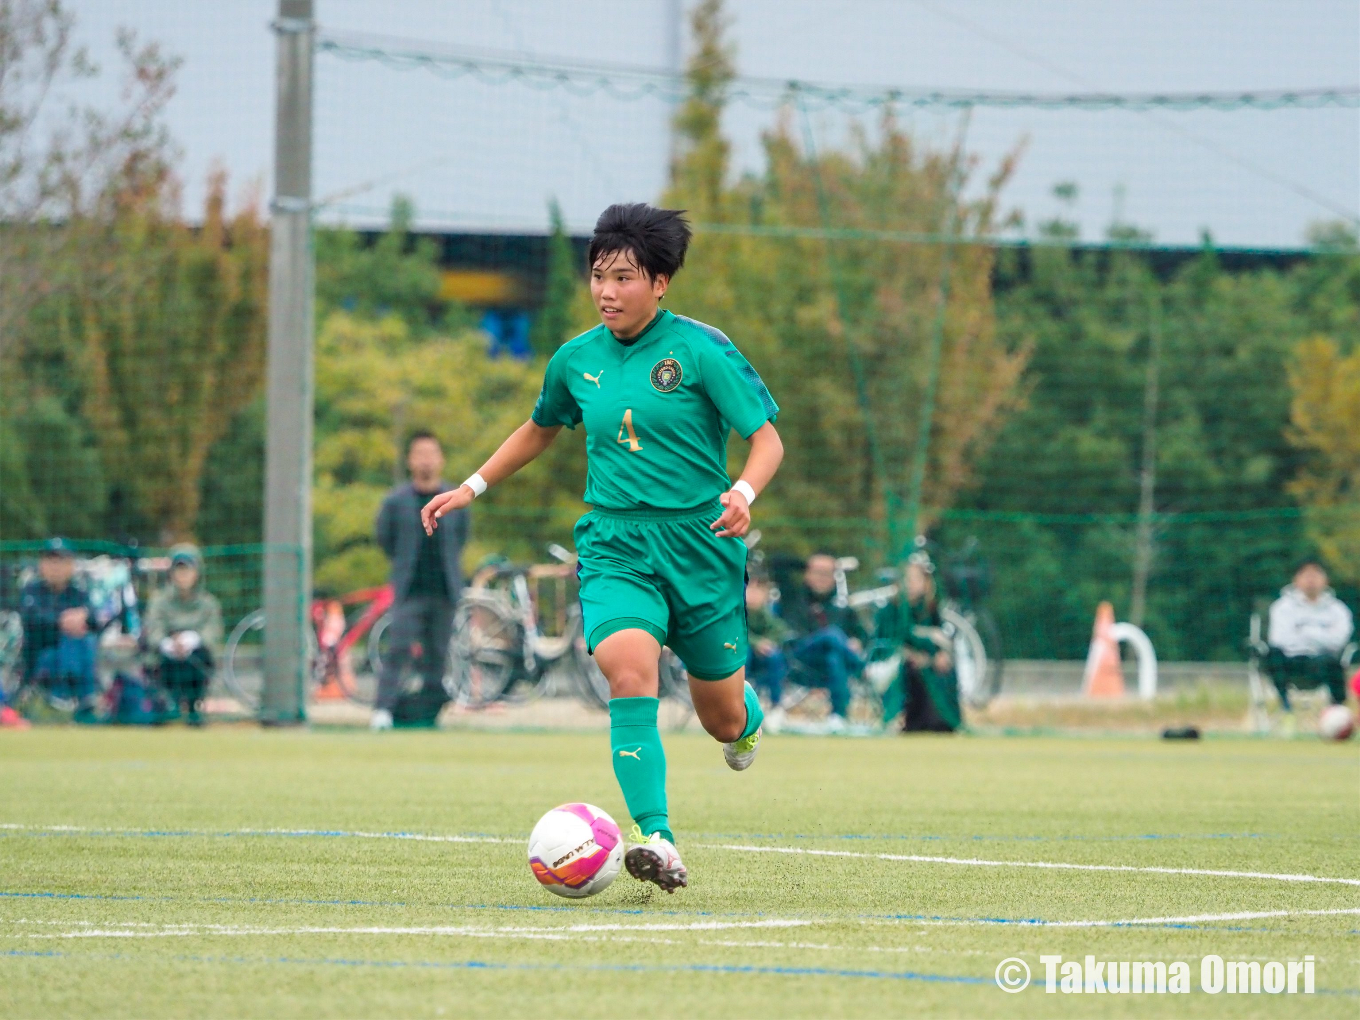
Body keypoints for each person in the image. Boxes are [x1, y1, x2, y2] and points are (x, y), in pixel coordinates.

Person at [420, 203, 783, 892]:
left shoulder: (702, 349)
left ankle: (747, 719)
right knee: (627, 669)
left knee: (722, 719)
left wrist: (744, 493)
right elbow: (539, 428)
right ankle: (658, 838)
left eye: (623, 277)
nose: (607, 291)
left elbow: (767, 439)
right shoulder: (575, 359)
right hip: (616, 543)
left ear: (661, 283)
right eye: (598, 276)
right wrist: (471, 485)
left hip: (703, 546)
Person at [371, 431, 470, 731]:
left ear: (441, 459)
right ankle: (383, 710)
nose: (426, 460)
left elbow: (461, 538)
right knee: (399, 647)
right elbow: (385, 539)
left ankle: (428, 714)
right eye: (420, 454)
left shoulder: (454, 498)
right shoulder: (396, 501)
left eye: (432, 453)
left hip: (445, 590)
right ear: (410, 460)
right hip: (409, 590)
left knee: (437, 654)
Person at [778, 553, 866, 731]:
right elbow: (778, 563)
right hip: (799, 660)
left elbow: (863, 635)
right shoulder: (793, 598)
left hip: (828, 669)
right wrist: (806, 563)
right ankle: (865, 669)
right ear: (806, 573)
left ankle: (838, 716)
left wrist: (857, 642)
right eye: (817, 572)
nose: (821, 578)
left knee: (834, 656)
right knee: (831, 635)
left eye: (827, 573)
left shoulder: (841, 607)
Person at [875, 555, 960, 733]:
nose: (911, 584)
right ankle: (907, 721)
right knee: (912, 671)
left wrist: (941, 655)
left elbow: (941, 638)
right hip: (898, 665)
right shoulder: (890, 610)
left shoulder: (931, 610)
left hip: (928, 663)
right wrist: (912, 655)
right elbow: (886, 643)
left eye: (916, 579)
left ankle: (944, 720)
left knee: (945, 671)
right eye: (906, 579)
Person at [143, 544, 223, 727]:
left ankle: (195, 707)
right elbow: (153, 629)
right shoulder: (159, 601)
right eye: (178, 570)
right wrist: (168, 643)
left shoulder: (208, 603)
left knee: (199, 658)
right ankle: (169, 703)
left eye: (188, 570)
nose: (183, 575)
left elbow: (212, 632)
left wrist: (191, 641)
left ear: (197, 573)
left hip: (196, 658)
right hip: (166, 658)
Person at [19, 539, 99, 716]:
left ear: (71, 565)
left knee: (84, 640)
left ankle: (82, 698)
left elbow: (94, 619)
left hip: (75, 656)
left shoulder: (79, 593)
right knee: (68, 641)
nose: (56, 567)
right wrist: (61, 621)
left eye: (61, 561)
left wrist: (84, 617)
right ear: (42, 564)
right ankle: (69, 696)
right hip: (40, 657)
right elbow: (31, 620)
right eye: (50, 560)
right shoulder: (31, 590)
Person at [1266, 560, 1354, 721]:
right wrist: (1322, 634)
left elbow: (1338, 640)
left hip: (1321, 663)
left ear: (1325, 580)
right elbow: (1280, 639)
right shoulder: (1282, 608)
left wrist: (1305, 632)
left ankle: (1338, 715)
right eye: (1306, 575)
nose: (1311, 580)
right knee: (1273, 654)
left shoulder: (1338, 610)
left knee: (1333, 662)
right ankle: (1286, 708)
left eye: (1316, 575)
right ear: (1295, 579)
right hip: (1290, 662)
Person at [744, 573, 790, 730]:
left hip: (763, 661)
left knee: (775, 657)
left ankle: (776, 706)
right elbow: (734, 632)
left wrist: (767, 643)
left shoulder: (765, 613)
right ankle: (738, 704)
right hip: (742, 656)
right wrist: (756, 643)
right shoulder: (736, 610)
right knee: (744, 653)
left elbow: (779, 630)